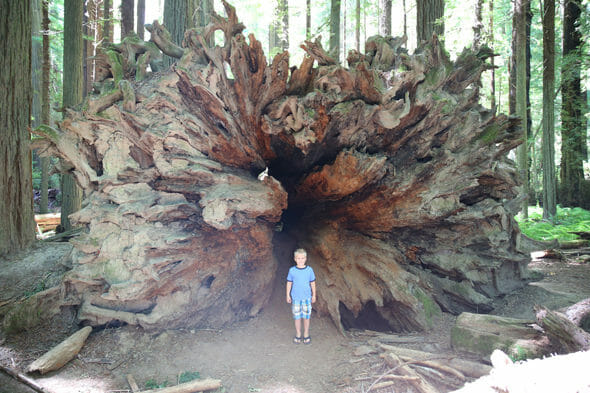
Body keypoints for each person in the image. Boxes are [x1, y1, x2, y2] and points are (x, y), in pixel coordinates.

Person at [286, 248, 316, 344]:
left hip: (307, 298)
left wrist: (314, 295)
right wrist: (288, 295)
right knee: (297, 317)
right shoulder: (292, 270)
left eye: (302, 258)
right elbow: (289, 283)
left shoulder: (309, 270)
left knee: (306, 317)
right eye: (298, 258)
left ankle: (306, 333)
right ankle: (298, 333)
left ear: (306, 258)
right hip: (296, 298)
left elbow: (313, 283)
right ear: (295, 259)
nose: (300, 260)